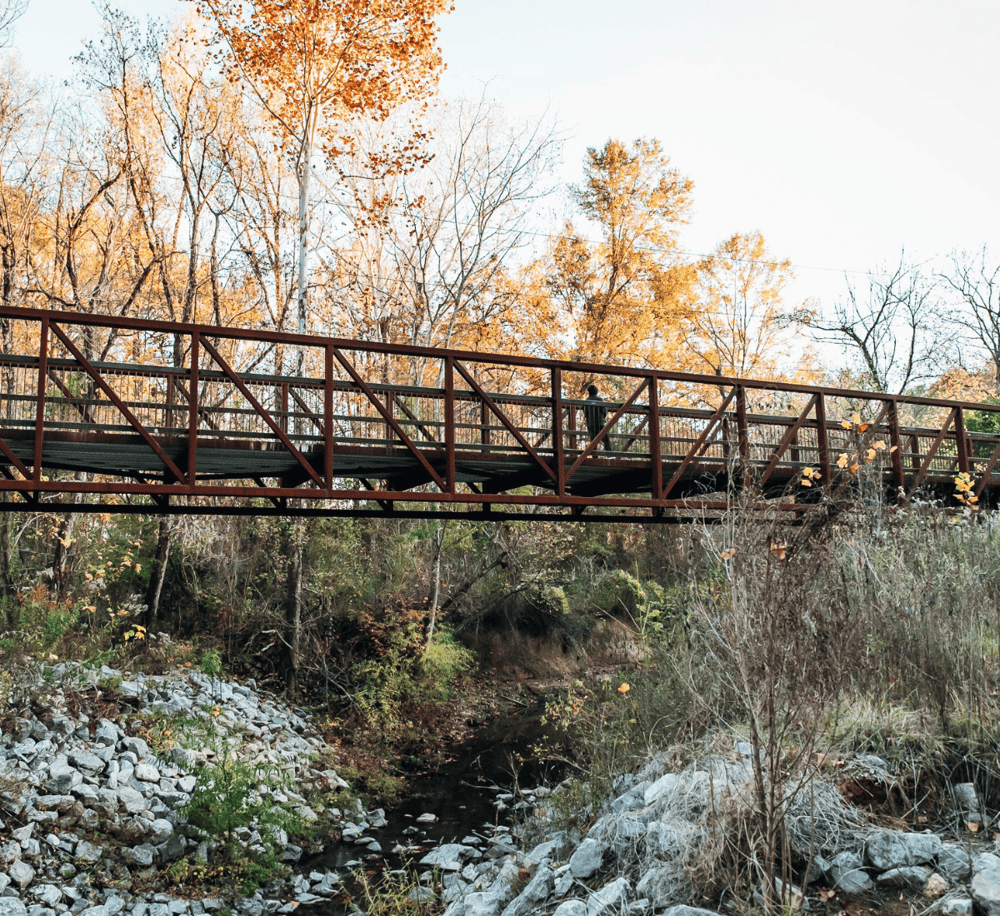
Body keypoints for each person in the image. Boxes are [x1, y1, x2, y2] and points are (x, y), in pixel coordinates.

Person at [584, 383, 613, 451]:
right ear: (596, 391)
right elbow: (604, 411)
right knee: (606, 440)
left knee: (593, 441)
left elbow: (586, 413)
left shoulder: (586, 401)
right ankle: (610, 455)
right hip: (600, 423)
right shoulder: (600, 400)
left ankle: (594, 456)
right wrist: (602, 418)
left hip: (590, 424)